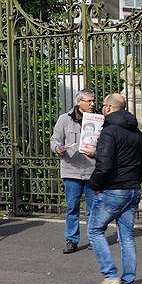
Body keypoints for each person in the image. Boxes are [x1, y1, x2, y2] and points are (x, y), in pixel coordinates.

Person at [87, 94, 142, 284]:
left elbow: (104, 165)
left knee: (94, 230)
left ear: (109, 108)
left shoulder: (109, 131)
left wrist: (94, 184)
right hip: (132, 188)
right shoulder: (137, 132)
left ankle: (110, 276)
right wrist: (135, 180)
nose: (101, 108)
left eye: (103, 105)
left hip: (113, 188)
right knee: (127, 237)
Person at [50, 88, 96, 254]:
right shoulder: (64, 120)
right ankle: (71, 240)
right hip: (71, 170)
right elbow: (54, 140)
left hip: (92, 170)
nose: (92, 104)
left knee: (93, 208)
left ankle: (93, 239)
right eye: (89, 101)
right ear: (79, 102)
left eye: (93, 101)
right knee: (72, 208)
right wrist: (57, 149)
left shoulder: (97, 120)